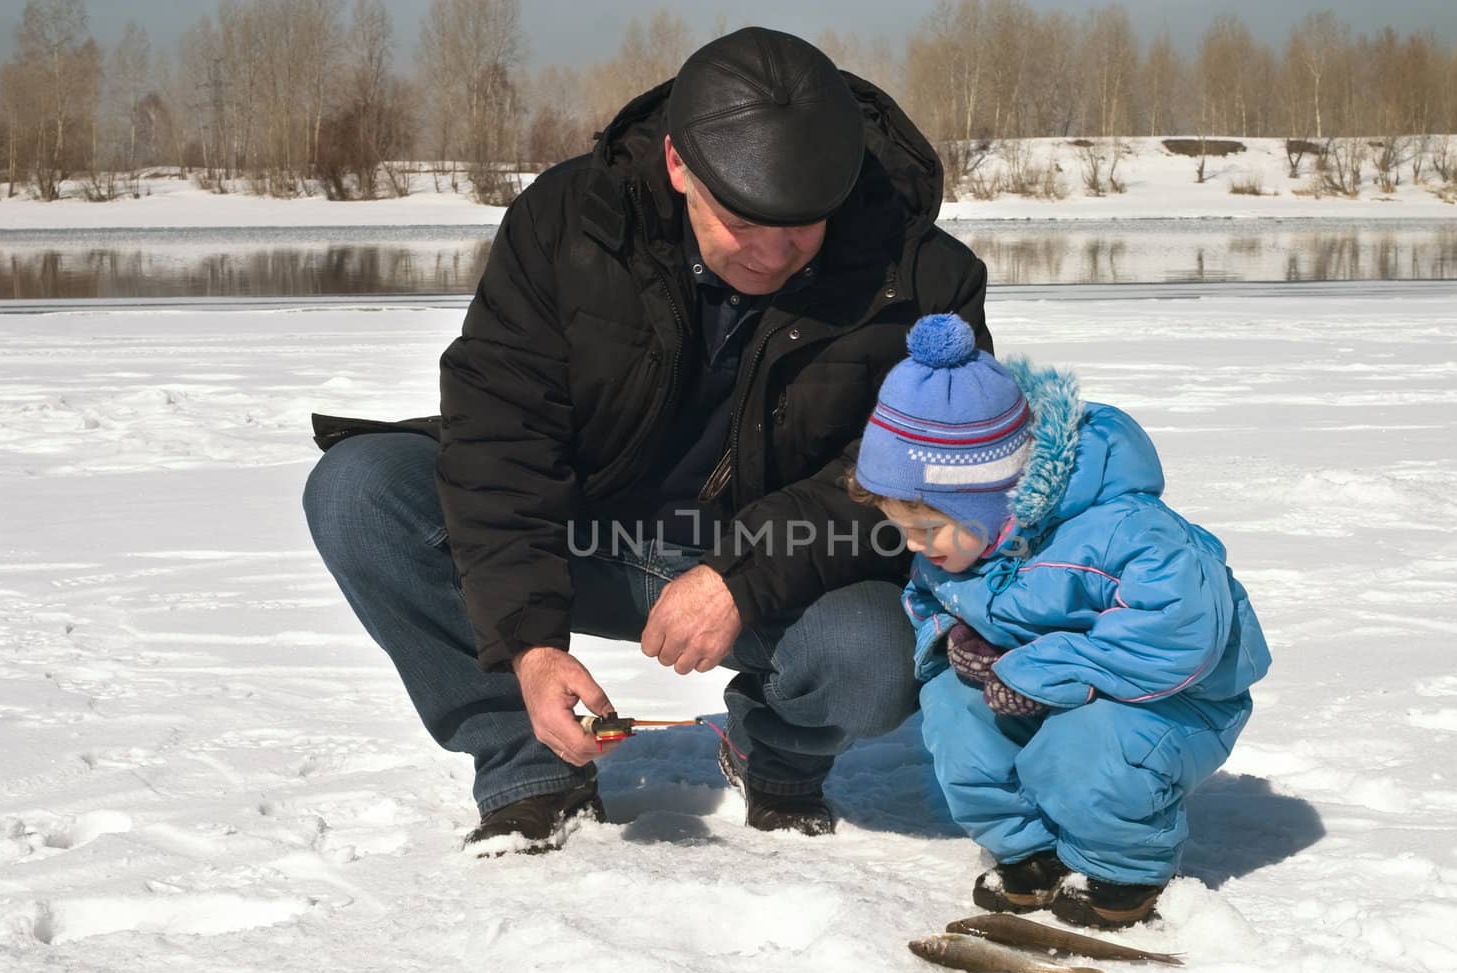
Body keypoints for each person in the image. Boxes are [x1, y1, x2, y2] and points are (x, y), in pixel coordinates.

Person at [301, 27, 990, 853]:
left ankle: (775, 751)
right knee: (361, 492)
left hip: (783, 564)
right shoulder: (567, 224)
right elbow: (500, 436)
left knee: (875, 651)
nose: (774, 252)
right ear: (678, 166)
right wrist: (527, 643)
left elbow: (915, 475)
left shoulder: (924, 277)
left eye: (805, 224)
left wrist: (740, 575)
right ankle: (531, 762)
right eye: (746, 219)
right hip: (587, 536)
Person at [849, 313, 1271, 928]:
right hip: (1034, 684)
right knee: (956, 717)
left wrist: (1040, 668)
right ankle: (1031, 852)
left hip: (1172, 699)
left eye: (926, 527)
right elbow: (928, 602)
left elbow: (1180, 635)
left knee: (1084, 752)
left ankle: (1121, 868)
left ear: (993, 501)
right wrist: (954, 639)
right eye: (900, 529)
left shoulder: (1129, 534)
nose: (914, 547)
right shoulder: (956, 549)